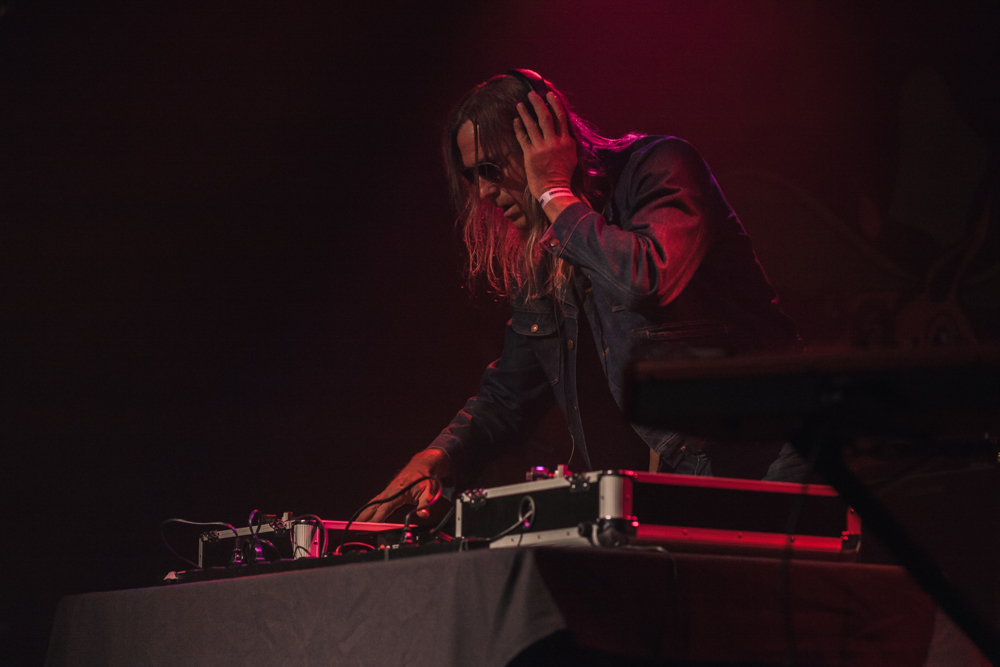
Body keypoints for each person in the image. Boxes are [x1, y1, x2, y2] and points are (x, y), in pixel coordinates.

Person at [357, 70, 801, 524]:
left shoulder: (660, 166)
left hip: (763, 457)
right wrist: (435, 457)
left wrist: (553, 191)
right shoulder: (548, 248)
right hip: (667, 488)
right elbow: (509, 397)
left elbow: (648, 278)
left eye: (492, 169)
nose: (485, 192)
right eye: (473, 177)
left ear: (542, 141)